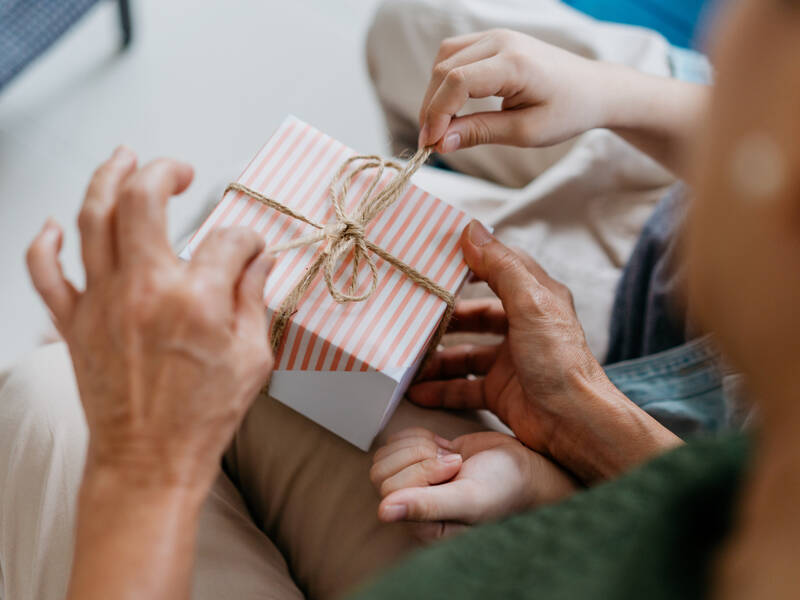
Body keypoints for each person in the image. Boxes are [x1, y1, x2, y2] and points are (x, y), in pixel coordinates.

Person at [1, 0, 798, 599]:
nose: (717, 34)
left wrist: (143, 471)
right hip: (643, 416)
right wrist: (567, 445)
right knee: (416, 25)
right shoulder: (752, 491)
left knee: (51, 397)